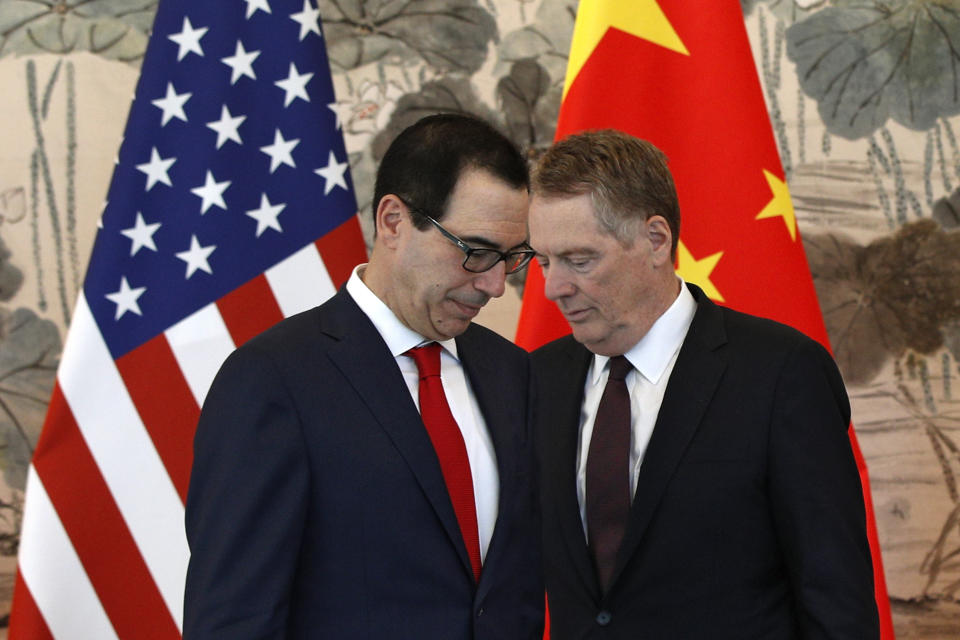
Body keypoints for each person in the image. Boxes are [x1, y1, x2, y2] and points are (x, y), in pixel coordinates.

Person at [183, 113, 543, 639]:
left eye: (511, 258)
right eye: (475, 252)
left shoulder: (512, 373)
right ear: (393, 221)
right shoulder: (272, 381)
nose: (493, 285)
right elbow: (235, 618)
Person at [528, 129, 879, 638]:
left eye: (579, 261)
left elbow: (835, 598)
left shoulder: (782, 373)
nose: (553, 288)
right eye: (543, 261)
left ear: (655, 240)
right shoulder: (538, 378)